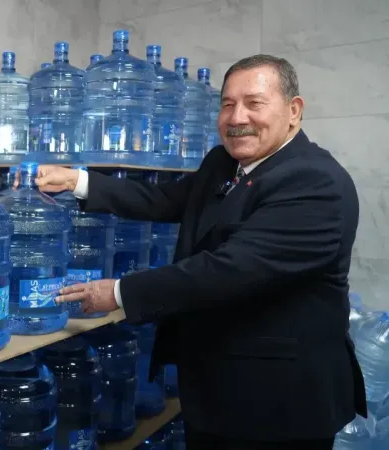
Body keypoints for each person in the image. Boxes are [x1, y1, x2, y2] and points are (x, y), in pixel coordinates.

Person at [33, 55, 366, 449]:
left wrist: (120, 292)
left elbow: (231, 270)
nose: (237, 117)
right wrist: (78, 180)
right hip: (215, 390)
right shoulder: (224, 162)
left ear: (293, 111)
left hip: (279, 404)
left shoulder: (315, 182)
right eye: (228, 104)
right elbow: (162, 199)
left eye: (254, 103)